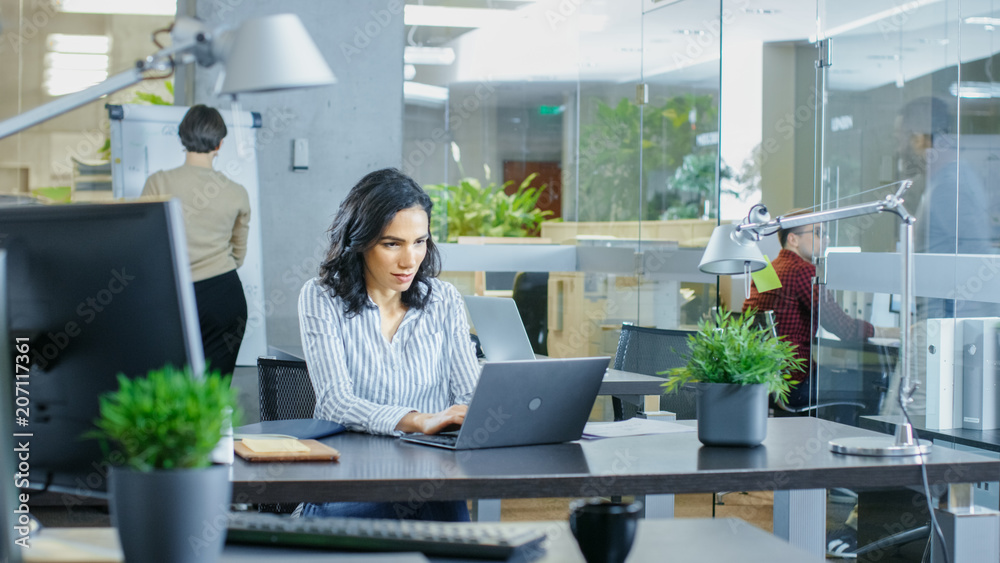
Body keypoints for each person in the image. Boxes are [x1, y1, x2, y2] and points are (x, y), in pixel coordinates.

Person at [297, 167, 480, 521]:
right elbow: (335, 402)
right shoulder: (320, 297)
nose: (409, 260)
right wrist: (418, 420)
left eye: (420, 242)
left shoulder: (443, 299)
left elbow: (469, 395)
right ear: (360, 241)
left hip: (429, 481)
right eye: (391, 244)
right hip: (347, 480)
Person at [141, 105, 250, 377]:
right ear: (220, 143)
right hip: (223, 296)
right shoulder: (237, 193)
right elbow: (238, 254)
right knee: (212, 395)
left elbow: (144, 243)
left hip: (171, 294)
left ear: (182, 137)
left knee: (168, 389)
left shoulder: (158, 183)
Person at [741, 218, 896, 410]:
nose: (826, 240)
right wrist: (891, 332)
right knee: (875, 383)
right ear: (793, 239)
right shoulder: (804, 271)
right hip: (796, 382)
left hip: (768, 380)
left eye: (826, 234)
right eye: (817, 233)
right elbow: (844, 328)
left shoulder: (767, 269)